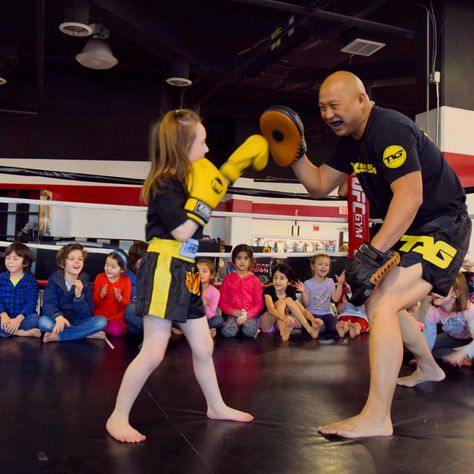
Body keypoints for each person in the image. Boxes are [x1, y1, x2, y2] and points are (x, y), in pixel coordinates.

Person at [264, 71, 471, 437]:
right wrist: (295, 154)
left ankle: (378, 417)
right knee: (380, 298)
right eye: (322, 107)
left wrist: (374, 251)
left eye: (334, 105)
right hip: (412, 229)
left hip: (442, 225)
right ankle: (428, 367)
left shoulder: (388, 129)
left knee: (382, 304)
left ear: (361, 100)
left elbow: (411, 196)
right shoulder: (353, 141)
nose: (327, 114)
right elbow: (318, 185)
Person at [106, 109, 267, 443]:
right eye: (203, 142)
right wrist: (212, 193)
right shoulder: (165, 183)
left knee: (204, 345)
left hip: (187, 268)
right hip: (165, 264)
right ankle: (117, 417)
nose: (207, 150)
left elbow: (191, 235)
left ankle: (216, 405)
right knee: (153, 350)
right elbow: (182, 231)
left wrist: (226, 177)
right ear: (183, 145)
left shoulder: (188, 180)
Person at [38, 243, 107, 343]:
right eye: (72, 259)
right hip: (59, 322)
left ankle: (59, 337)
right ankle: (85, 333)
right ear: (62, 263)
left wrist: (79, 297)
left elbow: (87, 314)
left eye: (80, 259)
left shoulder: (85, 282)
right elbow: (48, 304)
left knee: (101, 322)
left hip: (78, 322)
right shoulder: (54, 280)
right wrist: (58, 317)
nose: (77, 262)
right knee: (43, 322)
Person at [259, 263, 323, 342]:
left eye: (282, 278)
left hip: (279, 324)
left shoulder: (289, 291)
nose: (277, 281)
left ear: (289, 282)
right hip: (267, 323)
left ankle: (310, 330)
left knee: (288, 299)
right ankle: (283, 333)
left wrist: (313, 319)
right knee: (281, 302)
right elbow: (271, 309)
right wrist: (284, 317)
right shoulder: (269, 290)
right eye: (275, 278)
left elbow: (302, 310)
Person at [421, 273, 473, 367]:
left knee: (467, 351)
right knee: (425, 350)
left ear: (456, 293)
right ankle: (463, 359)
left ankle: (466, 357)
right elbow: (428, 338)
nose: (435, 292)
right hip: (453, 336)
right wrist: (422, 360)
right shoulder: (433, 311)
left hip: (470, 338)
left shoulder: (469, 310)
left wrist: (463, 353)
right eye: (435, 287)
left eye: (442, 288)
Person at [218, 244, 263, 338]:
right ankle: (236, 326)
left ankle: (246, 327)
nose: (242, 261)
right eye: (239, 258)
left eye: (246, 258)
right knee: (228, 332)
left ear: (250, 261)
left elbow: (259, 304)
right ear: (234, 260)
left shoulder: (255, 280)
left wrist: (247, 315)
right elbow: (222, 303)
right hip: (232, 315)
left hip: (249, 315)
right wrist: (234, 312)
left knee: (249, 331)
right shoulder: (227, 279)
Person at [295, 253, 344, 336]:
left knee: (334, 327)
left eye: (326, 265)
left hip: (327, 314)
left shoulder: (330, 282)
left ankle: (335, 329)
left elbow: (335, 299)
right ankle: (318, 327)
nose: (324, 267)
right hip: (312, 314)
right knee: (321, 329)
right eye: (320, 264)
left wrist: (340, 284)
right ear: (313, 266)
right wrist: (303, 292)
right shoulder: (308, 283)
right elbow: (306, 303)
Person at [0, 242, 40, 338]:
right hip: (4, 317)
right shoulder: (1, 278)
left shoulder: (30, 281)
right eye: (8, 258)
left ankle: (5, 332)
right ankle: (22, 333)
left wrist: (18, 320)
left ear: (25, 263)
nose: (10, 261)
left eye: (15, 259)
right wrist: (4, 315)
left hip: (23, 318)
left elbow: (31, 304)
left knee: (35, 319)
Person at [93, 249, 132, 337]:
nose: (108, 269)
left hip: (116, 318)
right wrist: (101, 295)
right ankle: (99, 329)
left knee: (116, 331)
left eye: (113, 267)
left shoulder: (126, 281)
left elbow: (127, 304)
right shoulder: (100, 277)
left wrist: (120, 298)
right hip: (100, 316)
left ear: (122, 270)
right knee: (99, 323)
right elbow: (94, 301)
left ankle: (101, 330)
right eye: (107, 265)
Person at [124, 241, 149, 336]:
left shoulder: (152, 276)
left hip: (148, 316)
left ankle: (161, 331)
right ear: (134, 260)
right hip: (133, 320)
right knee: (129, 310)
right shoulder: (125, 276)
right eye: (143, 260)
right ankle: (160, 332)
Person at [197, 258, 224, 337]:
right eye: (197, 271)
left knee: (218, 320)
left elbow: (210, 315)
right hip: (191, 320)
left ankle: (189, 332)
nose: (200, 273)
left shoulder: (215, 293)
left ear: (211, 275)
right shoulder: (190, 289)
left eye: (204, 271)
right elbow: (186, 310)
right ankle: (205, 332)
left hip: (206, 321)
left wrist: (204, 306)